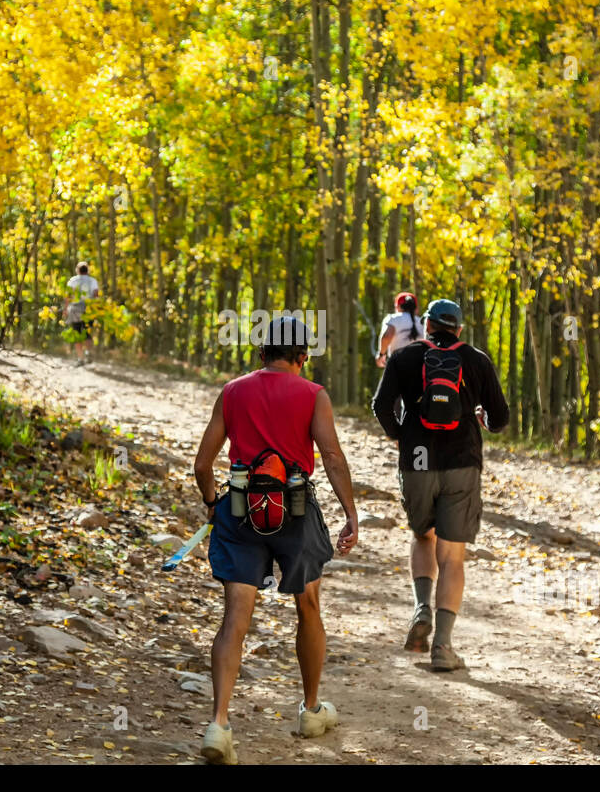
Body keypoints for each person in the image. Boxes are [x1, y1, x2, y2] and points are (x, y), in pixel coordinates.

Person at [193, 316, 360, 764]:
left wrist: (213, 502)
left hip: (240, 511)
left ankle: (219, 724)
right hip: (296, 512)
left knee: (235, 618)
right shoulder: (313, 395)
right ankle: (309, 710)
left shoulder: (232, 391)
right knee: (308, 606)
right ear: (302, 357)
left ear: (261, 353)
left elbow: (202, 464)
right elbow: (332, 457)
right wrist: (350, 515)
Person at [371, 298, 509, 672]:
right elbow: (501, 417)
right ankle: (443, 646)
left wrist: (402, 436)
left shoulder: (405, 357)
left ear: (427, 325)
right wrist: (481, 418)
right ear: (459, 329)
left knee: (423, 537)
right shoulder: (477, 360)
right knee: (452, 556)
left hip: (417, 461)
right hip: (462, 463)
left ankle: (421, 609)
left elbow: (380, 406)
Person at [63, 261, 100, 366]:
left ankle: (80, 358)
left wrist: (65, 309)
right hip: (88, 309)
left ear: (77, 270)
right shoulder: (92, 280)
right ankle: (88, 352)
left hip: (75, 309)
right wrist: (97, 308)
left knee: (77, 332)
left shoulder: (73, 280)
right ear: (87, 270)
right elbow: (96, 294)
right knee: (87, 332)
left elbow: (68, 296)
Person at [375, 291, 424, 367]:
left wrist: (381, 354)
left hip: (398, 365)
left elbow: (387, 336)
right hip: (419, 366)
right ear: (416, 308)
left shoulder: (393, 319)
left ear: (398, 307)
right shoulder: (423, 322)